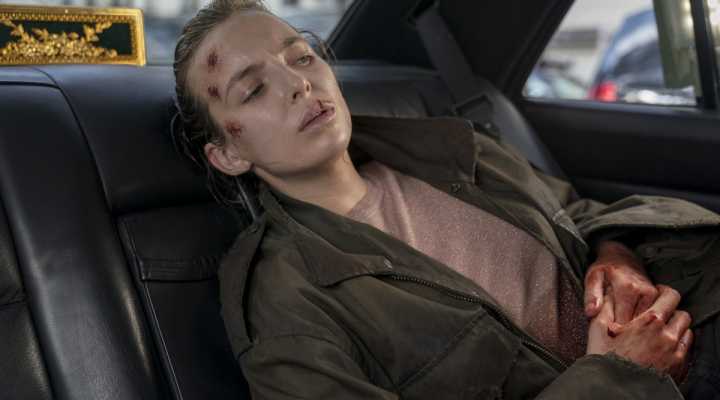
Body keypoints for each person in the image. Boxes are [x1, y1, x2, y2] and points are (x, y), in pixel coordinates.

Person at [172, 1, 720, 398]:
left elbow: (576, 213)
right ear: (228, 154)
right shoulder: (288, 303)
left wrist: (616, 258)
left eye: (301, 57)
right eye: (253, 89)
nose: (299, 84)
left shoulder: (455, 150)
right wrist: (623, 378)